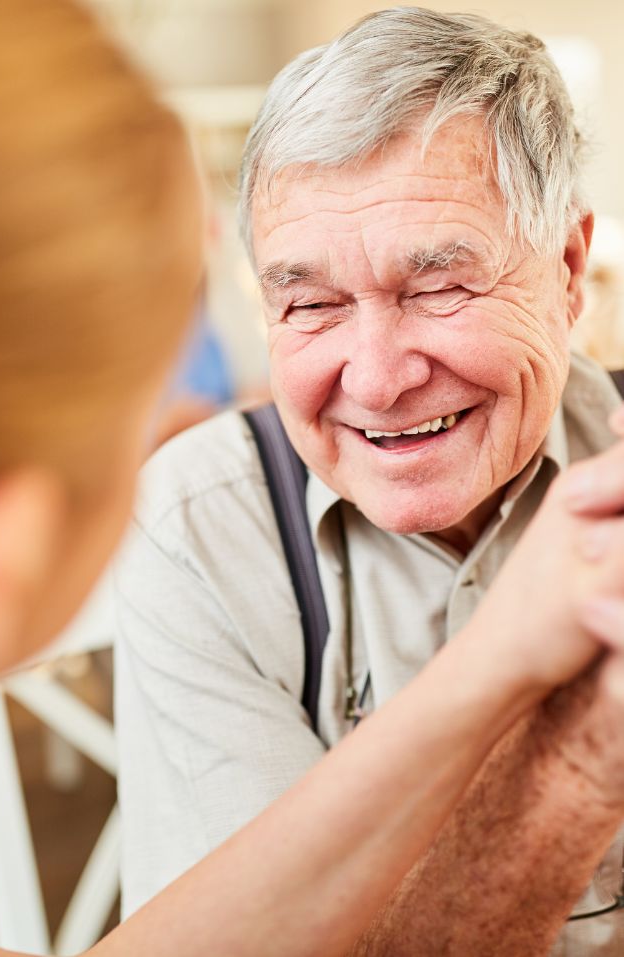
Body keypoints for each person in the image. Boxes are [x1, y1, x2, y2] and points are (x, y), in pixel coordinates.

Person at [114, 7, 624, 956]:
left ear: (565, 269)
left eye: (438, 288)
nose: (378, 378)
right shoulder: (202, 528)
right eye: (310, 304)